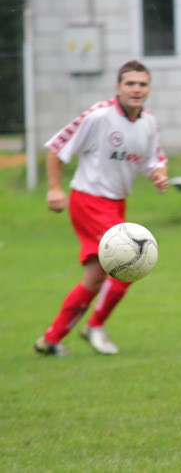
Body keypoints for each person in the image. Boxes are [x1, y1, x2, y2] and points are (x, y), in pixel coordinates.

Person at [34, 60, 168, 357]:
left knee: (95, 278)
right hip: (89, 200)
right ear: (118, 88)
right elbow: (57, 148)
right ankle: (95, 326)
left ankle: (51, 340)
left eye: (142, 84)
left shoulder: (148, 122)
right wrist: (55, 189)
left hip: (116, 204)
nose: (136, 89)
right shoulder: (99, 116)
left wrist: (159, 174)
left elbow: (153, 159)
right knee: (132, 260)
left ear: (148, 89)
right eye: (130, 84)